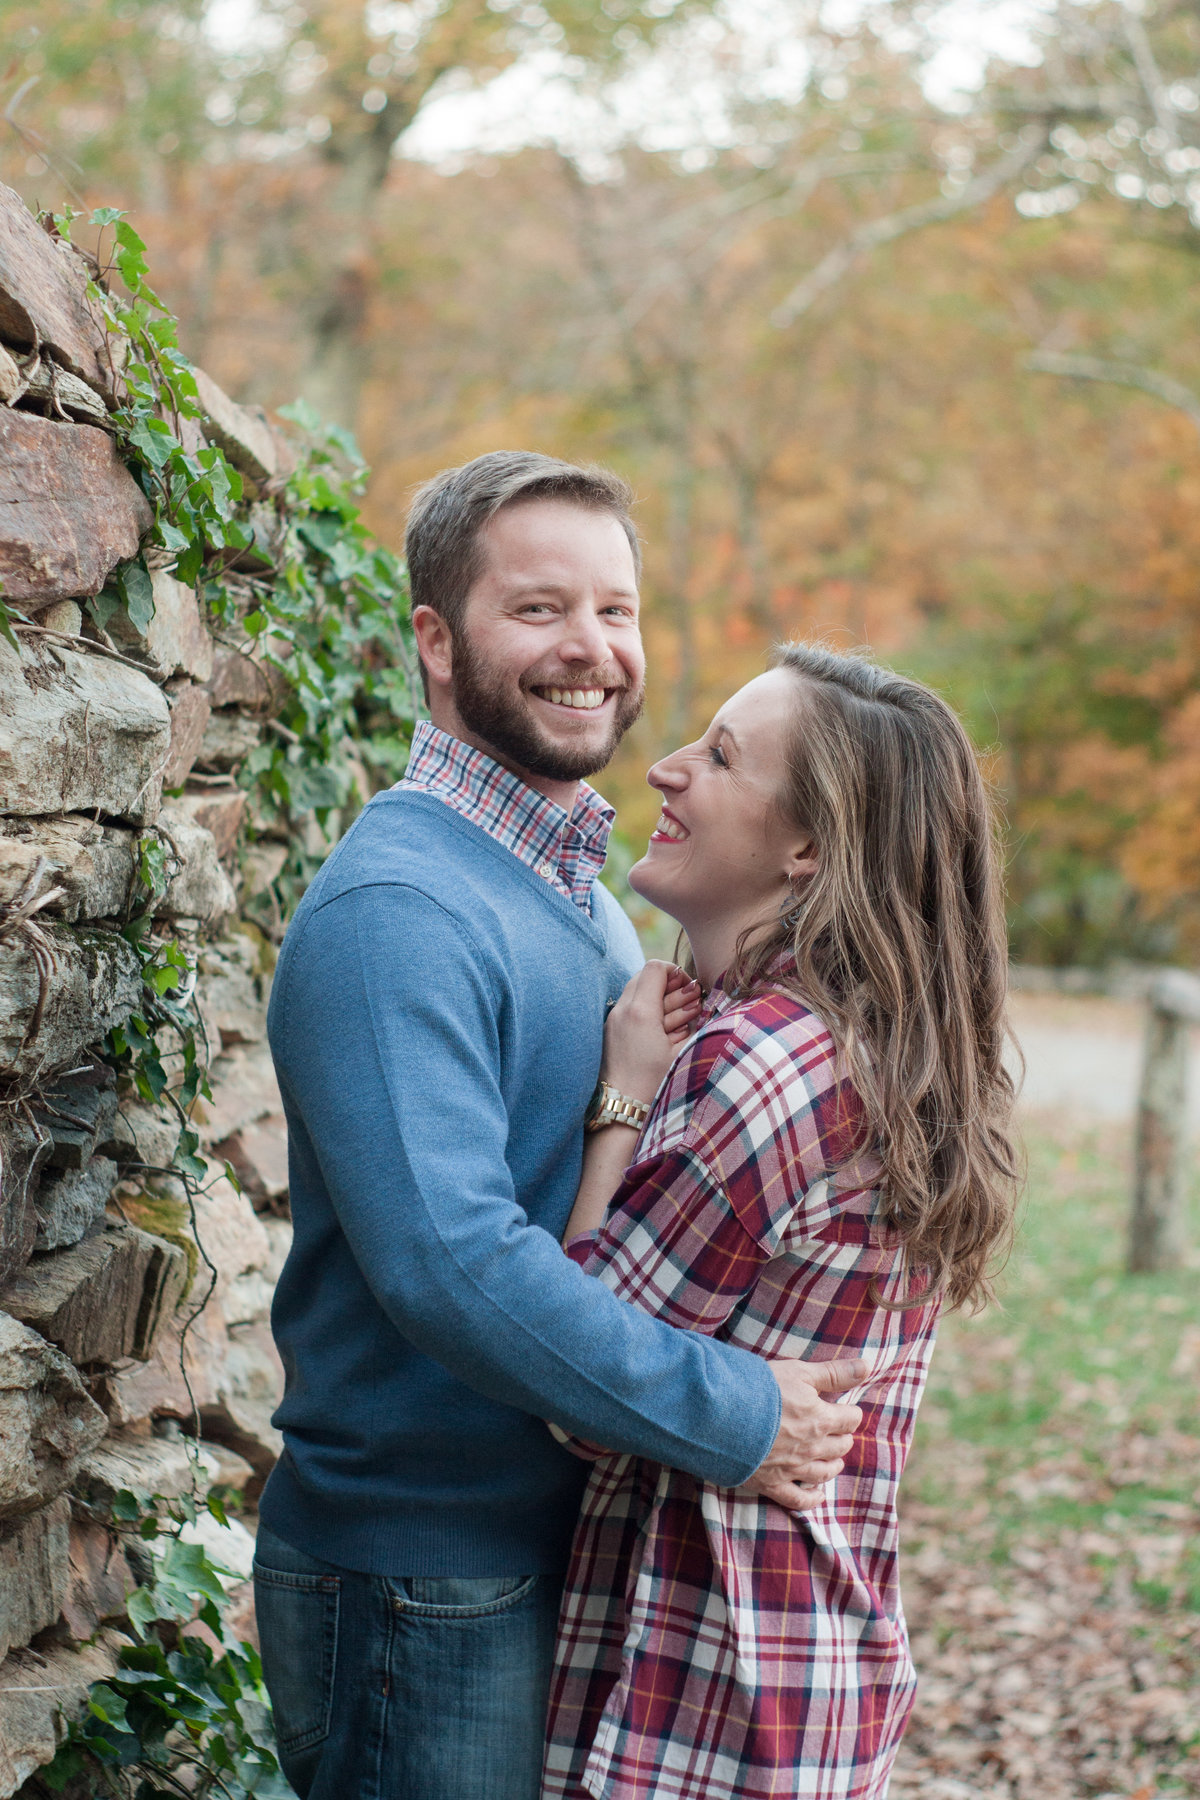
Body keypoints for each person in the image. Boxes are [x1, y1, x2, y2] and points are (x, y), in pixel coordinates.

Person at [252, 455, 866, 1800]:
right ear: (435, 640)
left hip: (550, 1552)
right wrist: (733, 1413)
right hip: (422, 1571)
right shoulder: (398, 911)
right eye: (539, 610)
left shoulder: (580, 888)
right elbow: (452, 1263)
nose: (590, 649)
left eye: (617, 610)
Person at [542, 644, 1020, 1800]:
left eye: (719, 756)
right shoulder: (883, 1051)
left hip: (698, 1697)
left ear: (808, 848)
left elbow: (582, 1388)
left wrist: (621, 1103)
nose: (663, 769)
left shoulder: (766, 1067)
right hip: (815, 1681)